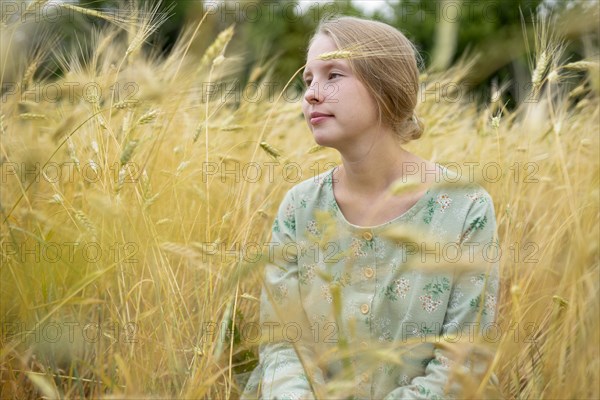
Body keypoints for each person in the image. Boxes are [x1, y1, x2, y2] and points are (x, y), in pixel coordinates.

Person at [242, 15, 500, 400]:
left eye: (333, 75)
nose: (311, 93)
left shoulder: (465, 208)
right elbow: (283, 344)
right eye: (308, 79)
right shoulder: (299, 206)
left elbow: (462, 362)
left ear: (385, 87)